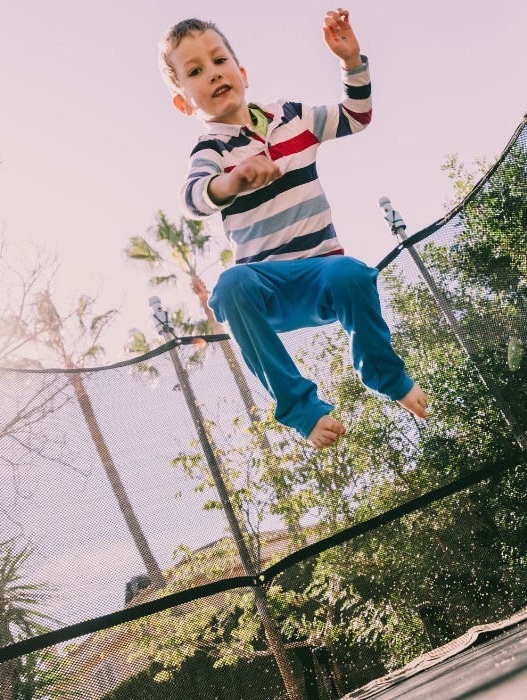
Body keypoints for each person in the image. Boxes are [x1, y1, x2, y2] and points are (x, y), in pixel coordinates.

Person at [158, 9, 427, 449]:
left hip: (321, 276)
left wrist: (350, 61)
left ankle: (388, 377)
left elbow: (356, 116)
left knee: (353, 273)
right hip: (268, 293)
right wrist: (233, 179)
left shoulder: (291, 116)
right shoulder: (211, 150)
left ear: (242, 71)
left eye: (219, 60)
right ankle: (301, 409)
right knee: (230, 286)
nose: (213, 73)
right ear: (183, 103)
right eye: (195, 71)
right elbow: (192, 199)